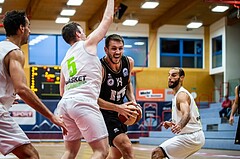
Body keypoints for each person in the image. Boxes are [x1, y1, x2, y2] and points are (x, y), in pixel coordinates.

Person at [0, 10, 68, 158]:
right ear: (21, 28)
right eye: (28, 26)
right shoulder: (14, 52)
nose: (30, 31)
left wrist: (9, 95)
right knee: (31, 155)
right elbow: (22, 89)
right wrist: (51, 116)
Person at [57, 0, 115, 158]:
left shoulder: (65, 60)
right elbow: (108, 18)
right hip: (83, 102)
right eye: (82, 32)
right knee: (102, 150)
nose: (84, 34)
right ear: (77, 34)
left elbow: (62, 91)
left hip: (65, 105)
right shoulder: (87, 43)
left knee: (69, 151)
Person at [98, 34, 139, 159]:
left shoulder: (128, 62)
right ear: (106, 50)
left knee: (116, 155)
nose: (117, 52)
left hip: (120, 111)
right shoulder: (100, 68)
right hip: (104, 113)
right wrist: (118, 108)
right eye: (114, 48)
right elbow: (94, 99)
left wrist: (133, 101)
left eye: (120, 48)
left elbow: (127, 84)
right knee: (126, 147)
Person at [151, 67, 205, 159]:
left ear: (182, 78)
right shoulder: (177, 95)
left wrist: (180, 125)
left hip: (191, 137)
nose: (170, 77)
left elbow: (187, 114)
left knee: (156, 153)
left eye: (174, 75)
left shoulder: (182, 95)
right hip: (192, 136)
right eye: (169, 75)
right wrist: (173, 123)